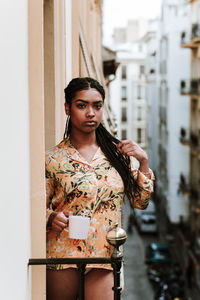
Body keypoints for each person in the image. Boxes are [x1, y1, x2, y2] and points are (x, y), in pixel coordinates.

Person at [46, 77, 154, 300]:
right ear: (68, 108)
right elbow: (35, 207)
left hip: (104, 256)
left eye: (97, 106)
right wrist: (50, 217)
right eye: (81, 105)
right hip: (63, 253)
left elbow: (140, 202)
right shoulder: (52, 159)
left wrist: (143, 161)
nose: (90, 113)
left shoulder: (118, 156)